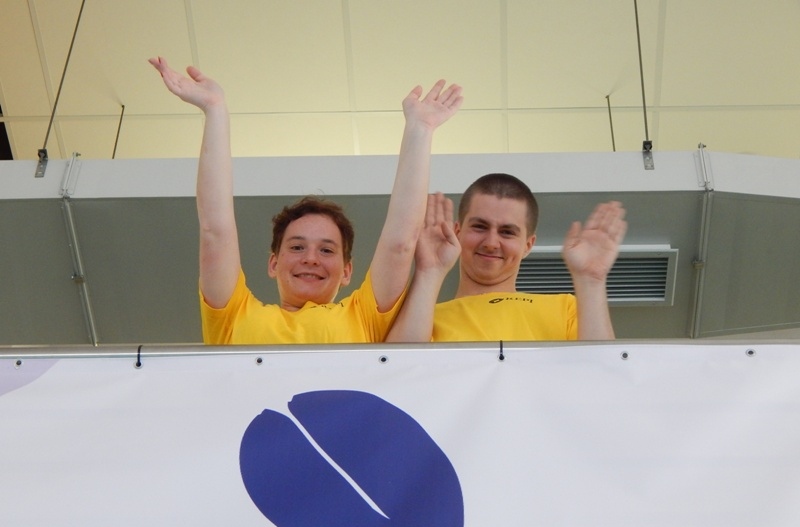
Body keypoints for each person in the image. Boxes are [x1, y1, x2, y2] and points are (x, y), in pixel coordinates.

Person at [149, 57, 462, 344]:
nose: (311, 259)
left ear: (346, 271)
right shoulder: (234, 314)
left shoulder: (362, 317)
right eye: (297, 247)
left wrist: (420, 130)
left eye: (326, 250)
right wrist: (215, 110)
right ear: (274, 263)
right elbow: (214, 231)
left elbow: (400, 244)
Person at [386, 173, 627, 342]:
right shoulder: (423, 319)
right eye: (480, 227)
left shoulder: (566, 308)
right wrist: (429, 271)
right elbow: (399, 373)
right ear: (457, 232)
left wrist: (591, 281)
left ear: (528, 245)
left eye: (507, 232)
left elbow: (602, 376)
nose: (491, 243)